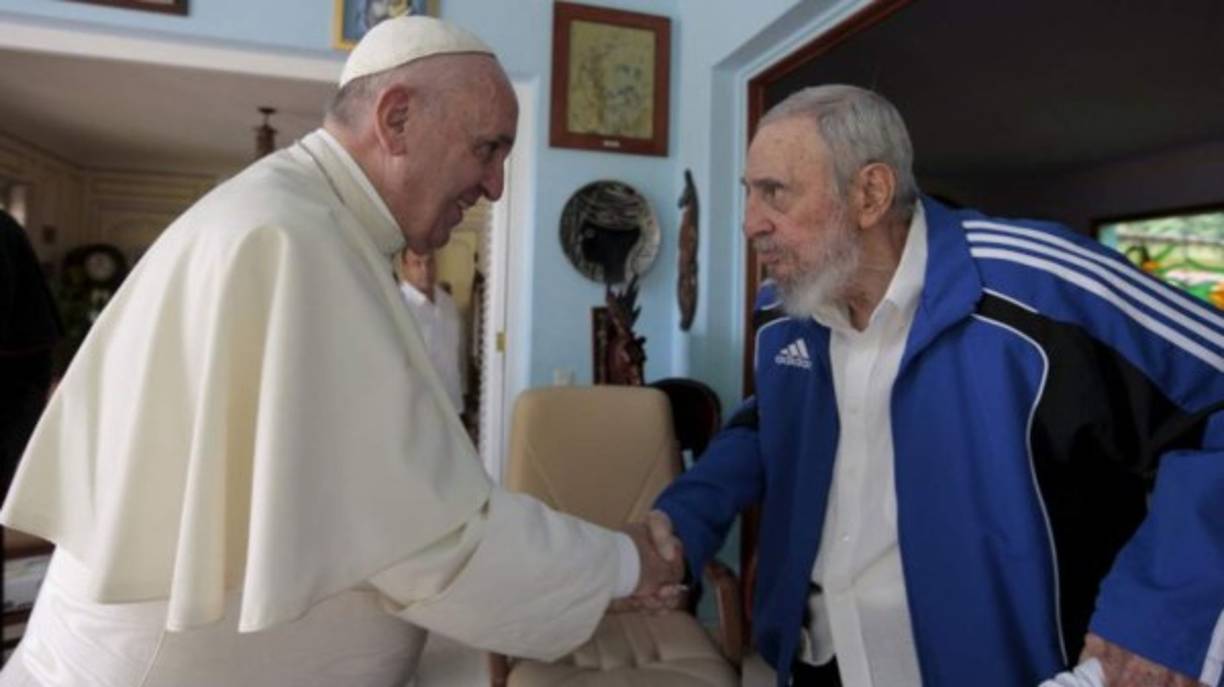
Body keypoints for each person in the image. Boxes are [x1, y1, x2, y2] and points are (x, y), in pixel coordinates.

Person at [0, 16, 683, 687]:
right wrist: (622, 563)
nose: (496, 185)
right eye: (488, 149)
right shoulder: (296, 240)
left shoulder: (302, 219)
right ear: (397, 119)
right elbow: (430, 539)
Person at [648, 85, 1222, 687]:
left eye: (774, 193)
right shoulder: (786, 303)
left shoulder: (1045, 286)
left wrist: (1164, 610)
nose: (749, 224)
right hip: (818, 664)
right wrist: (685, 519)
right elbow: (773, 418)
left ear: (870, 193)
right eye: (748, 192)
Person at [394, 247, 465, 415]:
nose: (425, 270)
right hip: (419, 410)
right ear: (405, 267)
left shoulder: (447, 303)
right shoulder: (397, 306)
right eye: (417, 264)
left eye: (429, 262)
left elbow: (453, 355)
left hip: (452, 405)